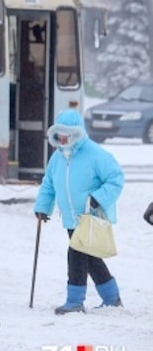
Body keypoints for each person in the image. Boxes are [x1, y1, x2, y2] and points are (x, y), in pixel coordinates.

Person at [33, 108, 124, 313]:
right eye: (59, 134)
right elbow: (48, 184)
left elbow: (116, 178)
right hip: (70, 217)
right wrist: (42, 207)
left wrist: (99, 198)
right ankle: (112, 297)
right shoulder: (57, 158)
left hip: (89, 217)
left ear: (77, 134)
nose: (62, 138)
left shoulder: (95, 154)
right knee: (90, 257)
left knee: (76, 254)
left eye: (67, 134)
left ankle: (75, 302)